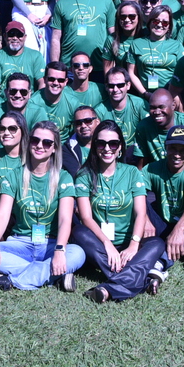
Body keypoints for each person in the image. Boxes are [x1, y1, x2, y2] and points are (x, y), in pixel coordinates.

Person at [0, 120, 85, 291]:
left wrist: (59, 250)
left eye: (47, 142)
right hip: (20, 243)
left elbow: (65, 219)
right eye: (35, 140)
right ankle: (53, 277)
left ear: (54, 148)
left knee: (78, 253)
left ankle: (10, 282)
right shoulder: (14, 176)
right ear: (29, 143)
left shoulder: (63, 178)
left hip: (51, 243)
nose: (39, 145)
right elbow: (3, 213)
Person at [71, 121, 167, 303]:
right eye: (101, 143)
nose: (107, 148)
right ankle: (143, 280)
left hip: (128, 244)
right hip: (100, 244)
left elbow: (140, 212)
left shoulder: (132, 172)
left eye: (113, 143)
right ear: (94, 146)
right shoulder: (84, 175)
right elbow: (86, 217)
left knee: (157, 243)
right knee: (79, 232)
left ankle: (110, 288)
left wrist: (133, 244)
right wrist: (107, 244)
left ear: (120, 147)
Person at [141, 125, 184, 291]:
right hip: (163, 224)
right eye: (173, 148)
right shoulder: (151, 169)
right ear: (166, 147)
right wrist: (145, 219)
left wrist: (179, 230)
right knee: (142, 204)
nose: (177, 154)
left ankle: (160, 262)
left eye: (183, 150)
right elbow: (138, 196)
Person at [50, 0, 115, 75]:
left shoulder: (106, 1)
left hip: (99, 65)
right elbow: (55, 38)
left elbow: (113, 35)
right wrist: (55, 68)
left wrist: (113, 65)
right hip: (70, 66)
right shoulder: (62, 3)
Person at [134, 88, 184, 166]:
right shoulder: (143, 126)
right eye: (153, 108)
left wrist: (181, 175)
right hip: (156, 174)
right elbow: (141, 163)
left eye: (161, 107)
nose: (157, 112)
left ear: (173, 105)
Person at [124, 4, 184, 98]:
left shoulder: (177, 45)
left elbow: (183, 73)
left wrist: (172, 94)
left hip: (171, 95)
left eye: (165, 23)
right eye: (156, 21)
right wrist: (145, 94)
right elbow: (131, 73)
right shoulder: (137, 44)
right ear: (149, 22)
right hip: (145, 94)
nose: (160, 25)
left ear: (169, 26)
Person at [95, 67, 147, 157]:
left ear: (128, 85)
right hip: (109, 154)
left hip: (136, 155)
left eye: (120, 85)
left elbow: (148, 132)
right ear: (106, 87)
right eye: (111, 86)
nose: (115, 89)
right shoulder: (99, 111)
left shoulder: (140, 104)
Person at [0, 21, 46, 92]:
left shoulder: (36, 56)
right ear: (5, 36)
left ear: (25, 37)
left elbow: (42, 83)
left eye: (19, 35)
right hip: (4, 101)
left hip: (30, 100)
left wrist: (35, 102)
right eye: (11, 34)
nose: (15, 38)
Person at [31, 61, 77, 141]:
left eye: (60, 80)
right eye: (51, 79)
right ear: (45, 80)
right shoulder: (33, 103)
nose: (56, 83)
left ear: (66, 82)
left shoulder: (73, 103)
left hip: (64, 147)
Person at [103, 0, 142, 75]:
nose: (127, 20)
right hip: (121, 84)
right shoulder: (112, 39)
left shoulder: (146, 36)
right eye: (122, 16)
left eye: (132, 16)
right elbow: (107, 70)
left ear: (139, 17)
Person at [61, 105, 99, 178]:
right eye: (78, 123)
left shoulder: (107, 144)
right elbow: (77, 175)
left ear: (97, 122)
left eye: (88, 121)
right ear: (74, 127)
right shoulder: (67, 149)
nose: (83, 126)